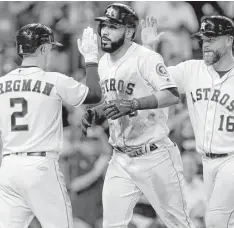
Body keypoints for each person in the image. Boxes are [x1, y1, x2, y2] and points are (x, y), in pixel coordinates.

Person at [0, 23, 102, 228]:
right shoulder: (53, 80)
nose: (50, 53)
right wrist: (92, 60)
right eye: (49, 48)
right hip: (41, 167)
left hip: (9, 169)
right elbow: (94, 95)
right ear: (42, 49)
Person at [119, 15, 234, 228]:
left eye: (212, 39)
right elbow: (152, 83)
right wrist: (149, 48)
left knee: (216, 221)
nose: (205, 44)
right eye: (203, 39)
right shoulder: (192, 70)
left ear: (230, 40)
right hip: (207, 164)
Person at [81, 3, 195, 228]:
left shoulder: (146, 58)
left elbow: (172, 95)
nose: (104, 31)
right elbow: (116, 104)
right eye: (103, 26)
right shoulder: (104, 63)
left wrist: (134, 103)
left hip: (154, 155)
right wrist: (98, 111)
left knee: (179, 224)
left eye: (113, 26)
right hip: (120, 158)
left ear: (129, 32)